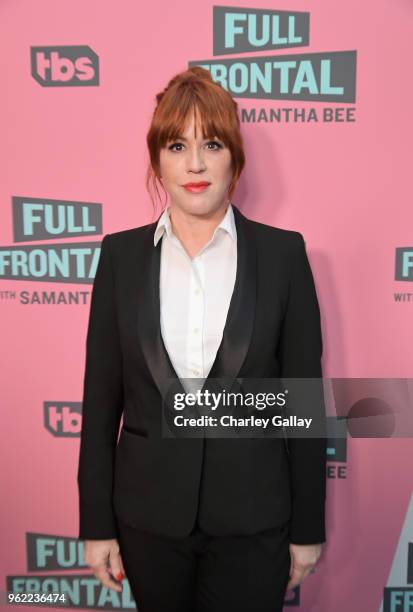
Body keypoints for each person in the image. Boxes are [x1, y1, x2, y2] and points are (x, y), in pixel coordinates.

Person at [77, 66, 327, 612]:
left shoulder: (283, 256)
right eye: (177, 145)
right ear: (157, 159)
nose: (194, 164)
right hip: (147, 522)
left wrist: (308, 527)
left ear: (234, 157)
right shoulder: (119, 258)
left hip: (255, 521)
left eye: (211, 144)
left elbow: (303, 405)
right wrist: (96, 524)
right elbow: (100, 405)